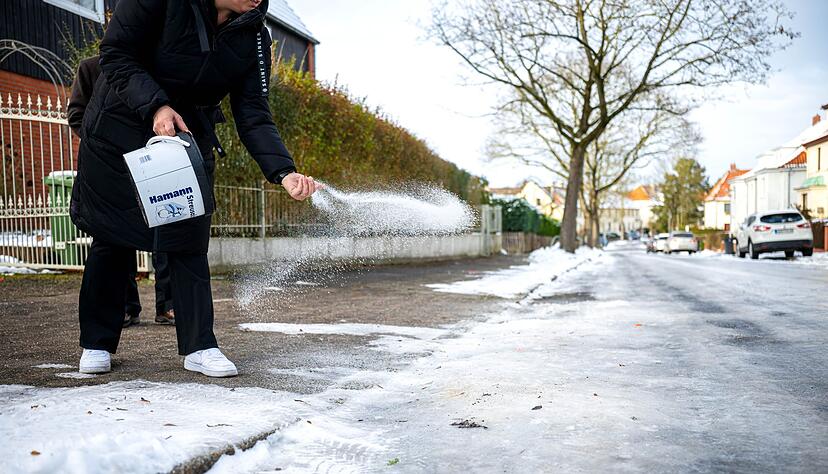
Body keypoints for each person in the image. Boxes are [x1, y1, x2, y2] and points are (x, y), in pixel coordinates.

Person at [70, 0, 319, 377]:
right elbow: (116, 54)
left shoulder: (254, 36)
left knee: (188, 237)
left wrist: (283, 172)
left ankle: (200, 346)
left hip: (186, 134)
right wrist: (157, 106)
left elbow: (253, 112)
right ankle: (97, 342)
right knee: (113, 235)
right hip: (118, 126)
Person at [67, 56, 176, 329]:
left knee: (164, 228)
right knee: (116, 237)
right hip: (110, 165)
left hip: (152, 162)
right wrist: (101, 144)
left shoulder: (154, 66)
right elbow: (77, 114)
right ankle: (126, 307)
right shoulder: (91, 68)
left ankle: (168, 305)